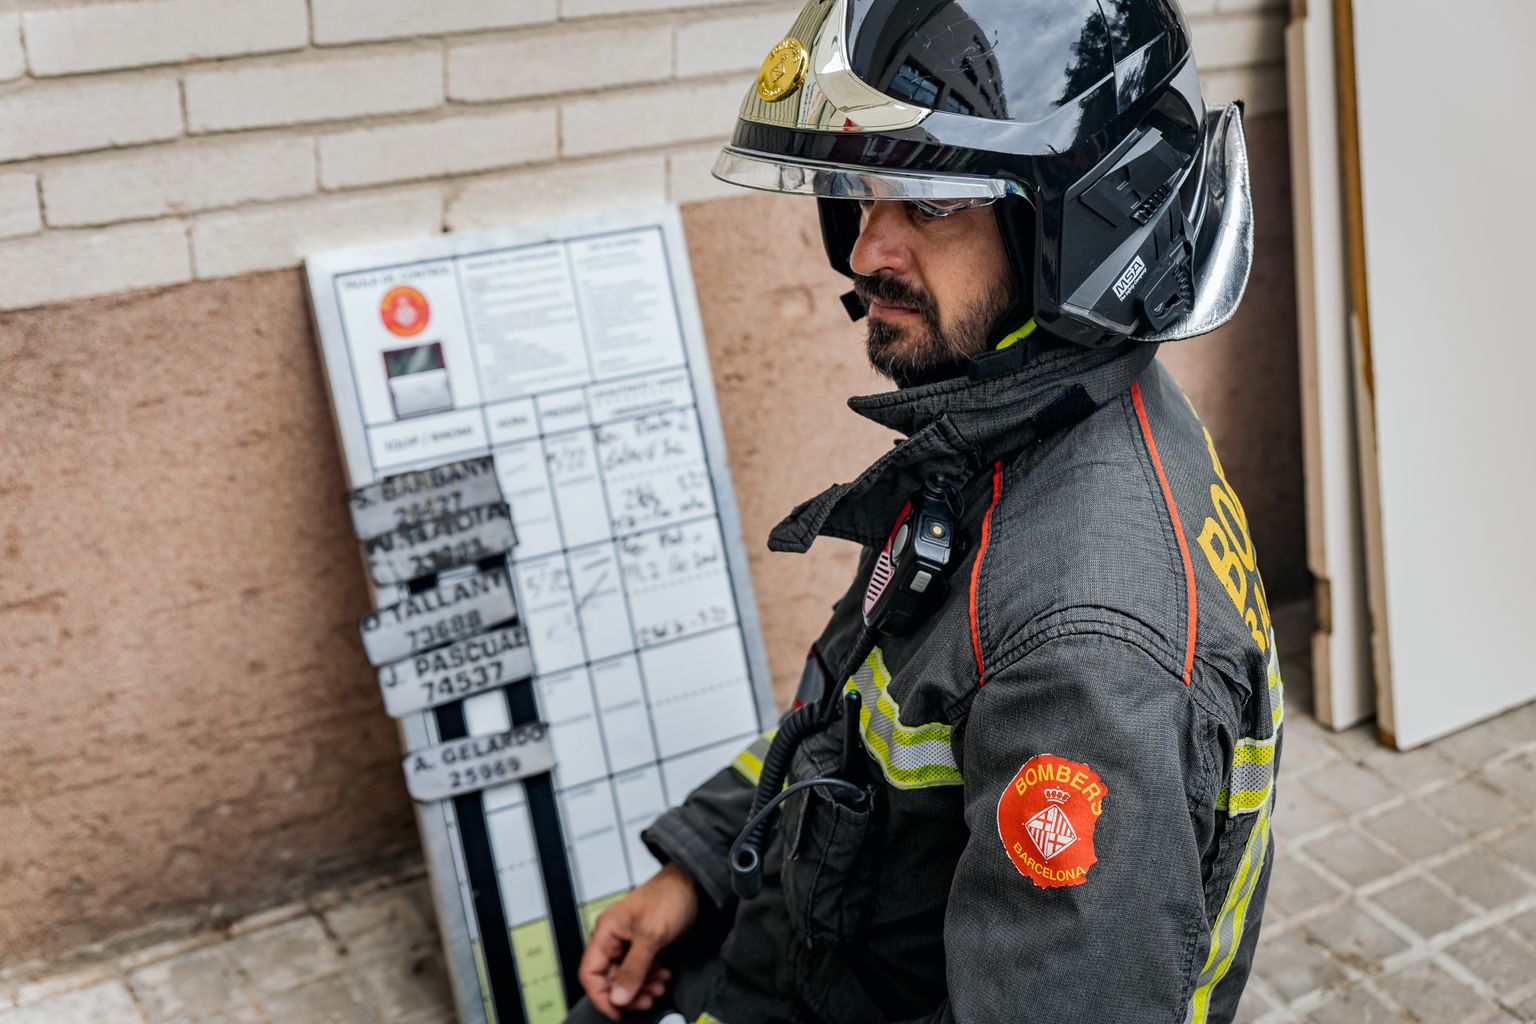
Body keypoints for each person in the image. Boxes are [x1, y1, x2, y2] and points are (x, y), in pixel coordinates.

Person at [567, 0, 1282, 1021]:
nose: (867, 252)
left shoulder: (1082, 653)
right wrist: (700, 866)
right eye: (863, 192)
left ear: (1081, 224)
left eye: (932, 203)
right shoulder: (1021, 431)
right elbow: (855, 710)